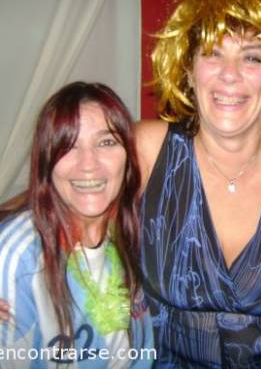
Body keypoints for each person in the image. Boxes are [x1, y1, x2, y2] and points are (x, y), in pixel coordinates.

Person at [135, 0, 261, 367]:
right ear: (189, 73)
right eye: (212, 54)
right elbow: (65, 203)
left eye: (252, 58)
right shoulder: (148, 148)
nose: (230, 74)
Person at [0, 82, 153, 368]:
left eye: (106, 142)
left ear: (128, 158)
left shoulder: (134, 227)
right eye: (68, 145)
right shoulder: (20, 259)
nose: (88, 165)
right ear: (47, 161)